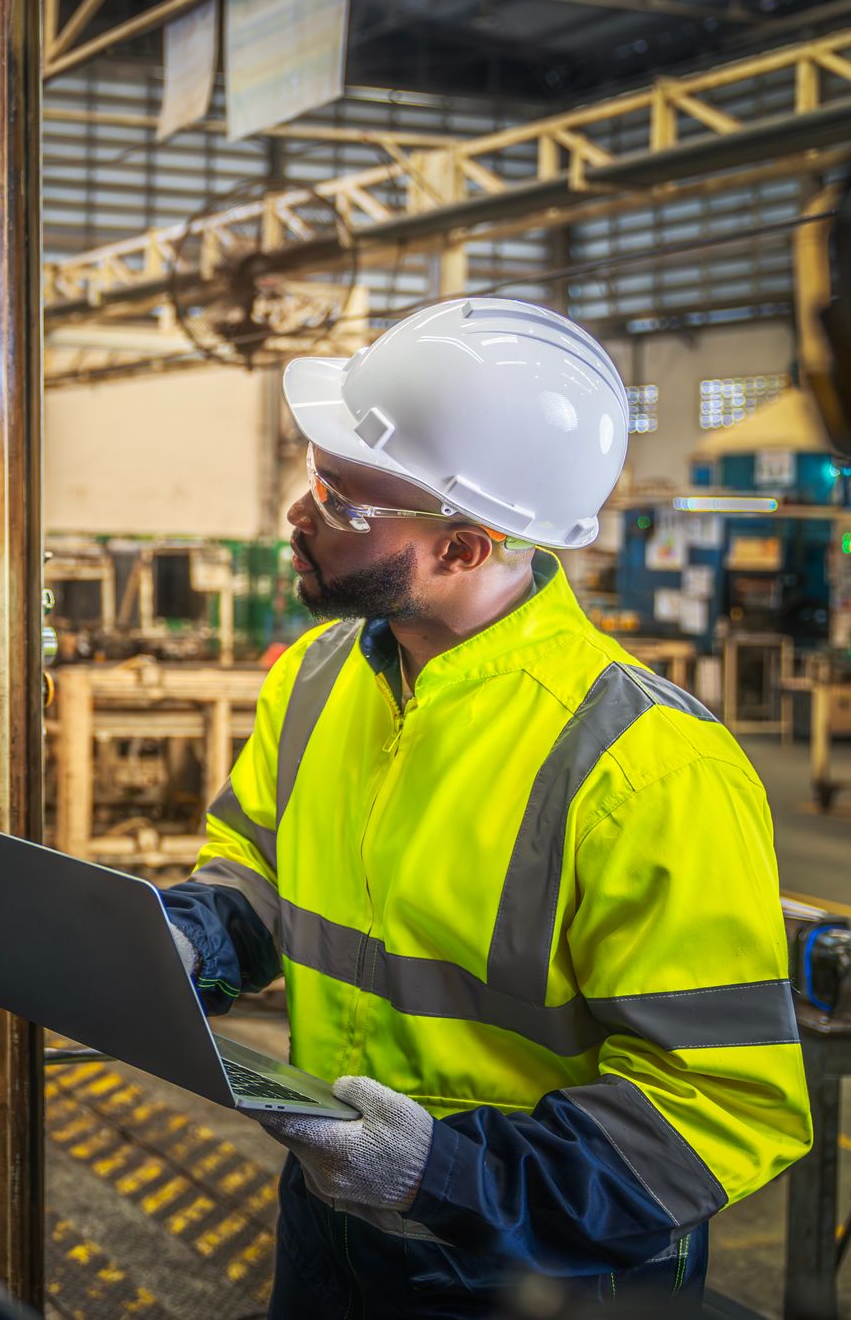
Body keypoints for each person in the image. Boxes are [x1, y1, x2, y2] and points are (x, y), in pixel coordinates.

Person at [160, 297, 812, 1316]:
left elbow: (724, 1107)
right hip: (333, 1221)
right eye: (314, 478)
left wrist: (440, 1172)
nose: (295, 512)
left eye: (339, 501)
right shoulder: (320, 676)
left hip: (537, 1271)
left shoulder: (645, 764)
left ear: (464, 548)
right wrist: (186, 937)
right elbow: (256, 872)